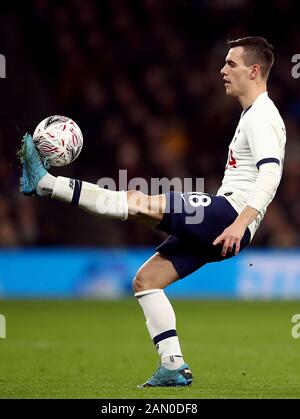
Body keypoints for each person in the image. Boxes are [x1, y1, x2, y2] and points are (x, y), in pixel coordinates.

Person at [20, 36, 286, 387]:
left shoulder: (262, 116)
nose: (222, 70)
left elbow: (271, 173)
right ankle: (173, 365)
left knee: (136, 200)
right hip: (227, 219)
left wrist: (239, 224)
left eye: (230, 64)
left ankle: (46, 184)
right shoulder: (252, 114)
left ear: (254, 71)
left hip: (228, 215)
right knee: (147, 281)